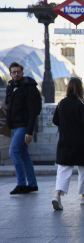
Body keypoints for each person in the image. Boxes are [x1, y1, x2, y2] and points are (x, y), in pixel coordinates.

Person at [51, 77, 84, 210]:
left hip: (65, 141)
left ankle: (57, 195)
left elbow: (55, 120)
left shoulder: (61, 103)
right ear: (80, 88)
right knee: (83, 170)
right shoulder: (82, 104)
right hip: (81, 142)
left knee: (63, 170)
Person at [5, 62, 40, 194]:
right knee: (24, 154)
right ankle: (32, 184)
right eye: (14, 72)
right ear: (10, 73)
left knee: (13, 152)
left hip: (23, 126)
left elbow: (32, 111)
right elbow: (9, 105)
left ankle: (21, 183)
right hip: (13, 126)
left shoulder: (28, 87)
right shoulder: (10, 86)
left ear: (22, 73)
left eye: (18, 72)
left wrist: (29, 132)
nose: (16, 74)